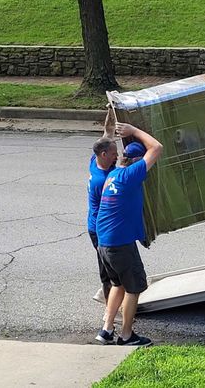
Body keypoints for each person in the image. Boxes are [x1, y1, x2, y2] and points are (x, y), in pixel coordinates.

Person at [94, 122, 163, 347]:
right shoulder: (130, 175)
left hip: (104, 243)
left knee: (118, 285)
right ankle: (126, 335)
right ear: (135, 161)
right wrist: (133, 131)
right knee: (134, 288)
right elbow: (157, 147)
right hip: (120, 244)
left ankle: (105, 330)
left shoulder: (112, 174)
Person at [88, 110, 118, 306]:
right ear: (104, 154)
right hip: (99, 229)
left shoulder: (95, 161)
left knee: (111, 268)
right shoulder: (103, 180)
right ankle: (110, 311)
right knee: (108, 272)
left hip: (98, 226)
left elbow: (108, 132)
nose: (118, 155)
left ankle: (106, 296)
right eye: (115, 153)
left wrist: (111, 110)